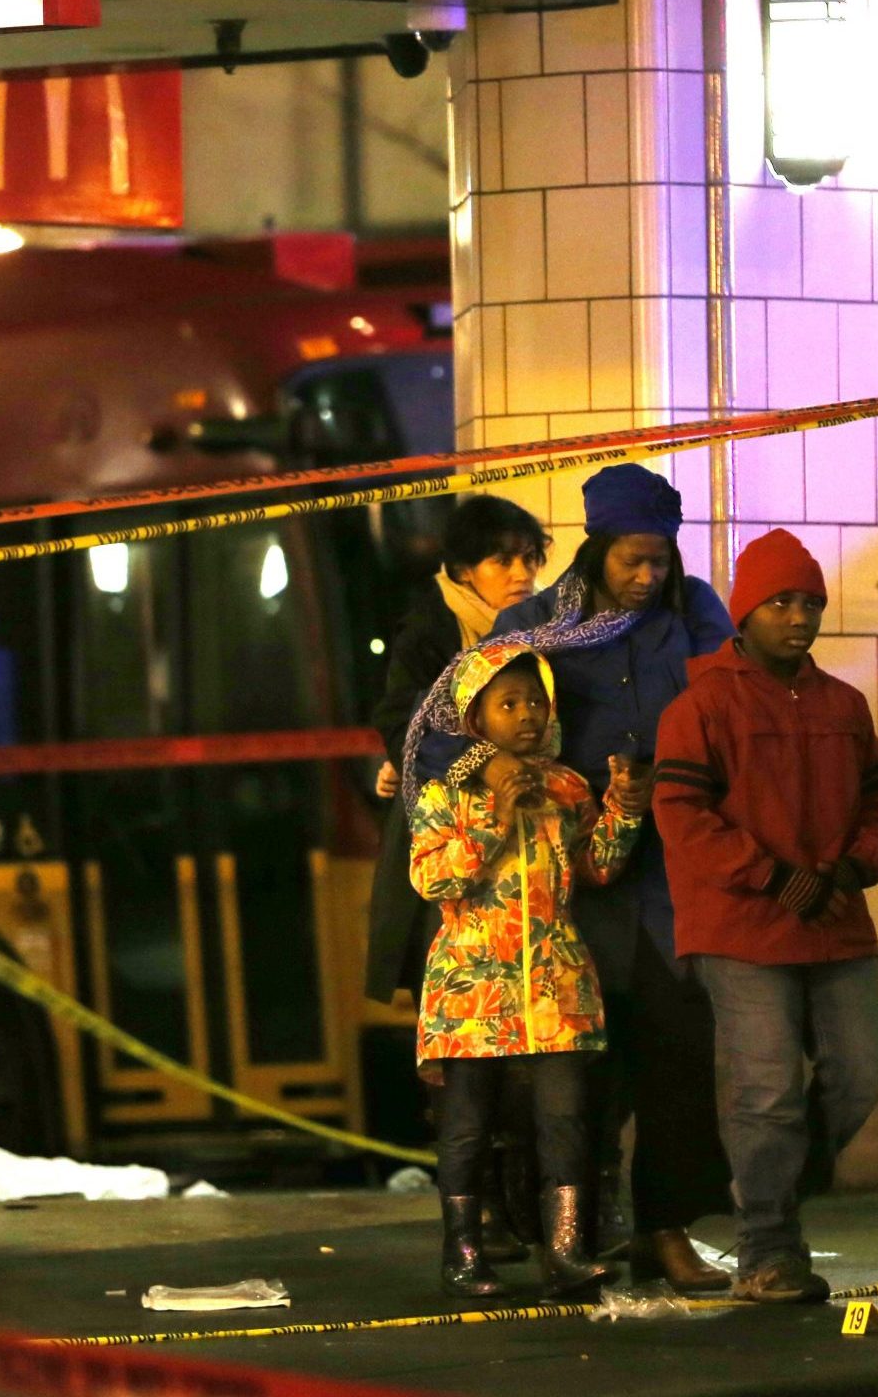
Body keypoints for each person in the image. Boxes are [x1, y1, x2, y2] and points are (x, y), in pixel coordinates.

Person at [402, 462, 738, 1293]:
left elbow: (734, 706)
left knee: (676, 1052)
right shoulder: (533, 623)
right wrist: (499, 783)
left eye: (660, 557)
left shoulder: (691, 614)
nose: (646, 574)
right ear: (594, 550)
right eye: (631, 558)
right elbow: (453, 726)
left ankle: (665, 1229)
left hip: (668, 869)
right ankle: (568, 1228)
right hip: (559, 889)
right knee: (576, 1079)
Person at [653, 529, 878, 1304]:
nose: (800, 617)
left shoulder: (844, 704)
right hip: (741, 928)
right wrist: (769, 875)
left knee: (866, 1066)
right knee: (765, 1091)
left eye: (811, 602)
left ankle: (779, 1192)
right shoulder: (701, 705)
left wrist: (854, 867)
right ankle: (765, 1248)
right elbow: (681, 813)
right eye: (782, 602)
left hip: (832, 920)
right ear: (744, 611)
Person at [408, 641, 652, 1298]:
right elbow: (432, 877)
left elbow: (597, 867)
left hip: (556, 985)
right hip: (470, 990)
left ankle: (567, 1251)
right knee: (466, 1128)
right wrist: (492, 816)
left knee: (567, 1121)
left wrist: (625, 809)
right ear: (475, 719)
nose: (526, 715)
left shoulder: (568, 788)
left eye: (535, 701)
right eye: (508, 703)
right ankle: (462, 1252)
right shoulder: (445, 791)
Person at [363, 494, 551, 1259]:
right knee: (463, 1059)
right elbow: (408, 728)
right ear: (462, 567)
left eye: (528, 558)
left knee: (525, 1058)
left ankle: (516, 1214)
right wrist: (486, 759)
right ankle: (478, 1223)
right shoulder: (432, 633)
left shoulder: (540, 634)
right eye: (502, 559)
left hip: (529, 876)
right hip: (449, 873)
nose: (518, 573)